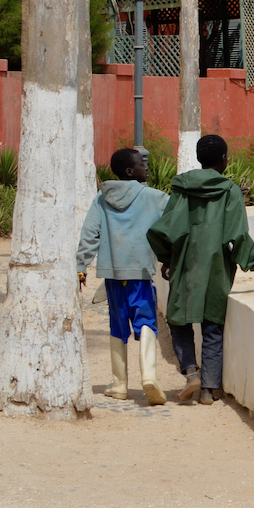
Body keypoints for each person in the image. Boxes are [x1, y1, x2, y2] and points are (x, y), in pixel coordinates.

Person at [147, 134, 254, 405]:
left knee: (179, 322)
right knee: (213, 327)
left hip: (185, 264)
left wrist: (167, 259)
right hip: (216, 269)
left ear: (199, 159)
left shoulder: (181, 188)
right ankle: (209, 390)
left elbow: (165, 228)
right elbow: (238, 237)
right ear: (224, 159)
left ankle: (190, 373)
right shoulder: (231, 191)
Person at [77, 147, 169, 405]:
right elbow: (174, 224)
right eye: (142, 163)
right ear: (131, 171)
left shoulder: (102, 197)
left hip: (113, 275)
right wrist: (169, 257)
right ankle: (149, 377)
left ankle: (119, 384)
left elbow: (89, 234)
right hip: (140, 273)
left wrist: (80, 266)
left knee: (118, 327)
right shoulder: (155, 197)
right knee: (146, 322)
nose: (147, 166)